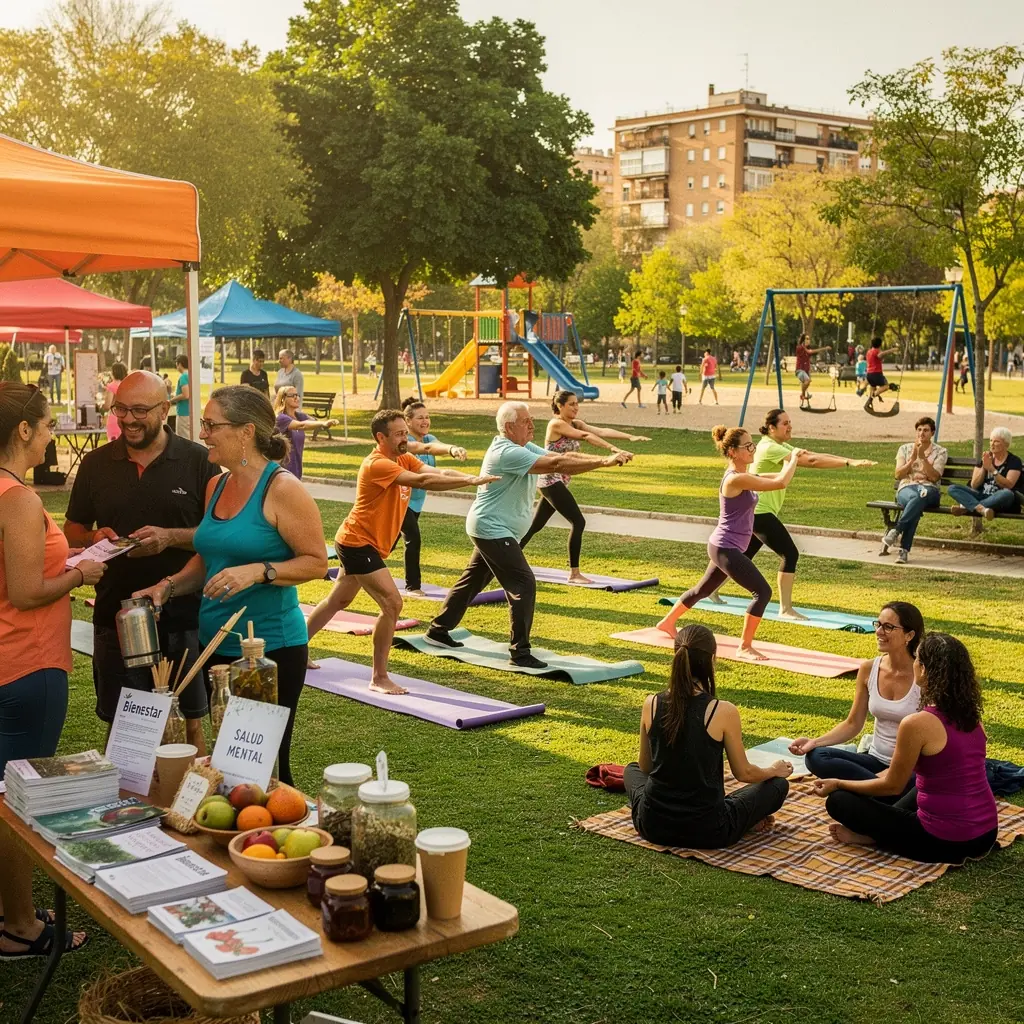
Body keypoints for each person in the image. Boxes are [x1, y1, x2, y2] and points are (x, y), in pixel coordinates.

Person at [133, 386, 328, 786]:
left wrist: (259, 571)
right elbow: (210, 558)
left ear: (245, 432)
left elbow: (316, 562)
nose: (202, 433)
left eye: (210, 425)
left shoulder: (283, 489)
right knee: (230, 761)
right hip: (215, 645)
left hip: (270, 650)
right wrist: (167, 587)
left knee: (264, 766)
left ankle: (275, 839)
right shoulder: (216, 486)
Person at [65, 371, 220, 752]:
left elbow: (216, 535)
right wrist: (92, 538)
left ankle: (188, 809)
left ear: (165, 409)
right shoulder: (96, 464)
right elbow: (73, 529)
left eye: (139, 410)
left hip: (185, 614)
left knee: (190, 727)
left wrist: (171, 537)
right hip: (116, 614)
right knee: (125, 734)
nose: (128, 419)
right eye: (121, 409)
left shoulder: (200, 461)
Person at [1, 382, 101, 958]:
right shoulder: (17, 497)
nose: (51, 435)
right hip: (27, 665)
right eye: (46, 425)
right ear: (22, 431)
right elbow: (27, 589)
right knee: (16, 802)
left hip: (10, 661)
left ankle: (12, 909)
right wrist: (82, 574)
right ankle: (20, 926)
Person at [424, 402, 631, 668]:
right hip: (492, 528)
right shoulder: (507, 452)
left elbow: (561, 459)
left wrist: (605, 458)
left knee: (472, 581)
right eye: (526, 421)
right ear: (509, 427)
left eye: (532, 419)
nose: (532, 425)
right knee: (523, 584)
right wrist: (603, 461)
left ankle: (438, 630)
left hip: (496, 528)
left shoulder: (522, 447)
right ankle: (520, 653)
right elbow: (555, 462)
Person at [304, 410, 495, 692]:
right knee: (392, 604)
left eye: (406, 432)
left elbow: (436, 472)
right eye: (399, 434)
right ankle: (379, 677)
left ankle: (296, 649)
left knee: (337, 601)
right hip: (357, 542)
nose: (405, 438)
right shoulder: (377, 465)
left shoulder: (402, 456)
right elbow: (423, 482)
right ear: (381, 437)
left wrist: (471, 476)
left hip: (360, 540)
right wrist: (468, 483)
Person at [814, 633, 999, 864]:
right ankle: (875, 834)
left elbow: (892, 786)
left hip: (945, 841)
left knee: (839, 801)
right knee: (920, 784)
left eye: (917, 659)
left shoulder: (917, 724)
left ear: (923, 670)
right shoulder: (971, 716)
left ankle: (872, 837)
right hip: (987, 833)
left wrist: (838, 783)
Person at [625, 624, 791, 849]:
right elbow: (744, 773)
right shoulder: (723, 711)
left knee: (631, 770)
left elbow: (644, 767)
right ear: (712, 659)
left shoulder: (651, 703)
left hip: (653, 825)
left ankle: (742, 816)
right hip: (710, 830)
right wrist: (773, 770)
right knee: (777, 785)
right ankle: (746, 819)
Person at [708, 409, 876, 618]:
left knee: (742, 555)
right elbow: (810, 462)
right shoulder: (769, 447)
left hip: (756, 511)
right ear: (771, 427)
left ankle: (710, 589)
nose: (790, 426)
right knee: (790, 553)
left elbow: (809, 455)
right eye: (785, 423)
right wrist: (849, 463)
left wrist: (849, 459)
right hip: (761, 512)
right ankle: (785, 608)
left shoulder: (779, 445)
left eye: (790, 422)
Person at [656, 426, 803, 660]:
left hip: (723, 545)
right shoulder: (736, 478)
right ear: (733, 452)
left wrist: (789, 462)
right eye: (748, 446)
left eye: (752, 444)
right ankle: (745, 647)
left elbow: (774, 478)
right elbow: (781, 483)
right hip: (726, 547)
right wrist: (793, 456)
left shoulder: (742, 476)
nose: (752, 449)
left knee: (702, 590)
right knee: (762, 592)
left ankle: (667, 622)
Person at [789, 601, 923, 795]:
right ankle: (880, 790)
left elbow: (935, 738)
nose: (879, 632)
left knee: (841, 799)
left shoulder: (923, 674)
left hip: (911, 769)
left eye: (888, 627)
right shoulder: (868, 669)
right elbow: (853, 723)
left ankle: (878, 789)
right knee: (816, 757)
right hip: (874, 761)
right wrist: (815, 742)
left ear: (909, 635)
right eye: (878, 624)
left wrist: (892, 774)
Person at [519, 391, 648, 583]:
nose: (575, 407)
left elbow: (601, 431)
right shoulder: (556, 424)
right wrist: (614, 450)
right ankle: (574, 574)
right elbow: (586, 436)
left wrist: (629, 438)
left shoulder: (575, 423)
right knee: (578, 522)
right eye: (571, 404)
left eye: (577, 404)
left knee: (535, 525)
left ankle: (508, 559)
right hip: (550, 480)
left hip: (558, 481)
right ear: (560, 406)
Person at [397, 398, 469, 597]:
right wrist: (451, 450)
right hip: (399, 500)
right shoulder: (404, 443)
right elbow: (426, 450)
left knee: (388, 543)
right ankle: (413, 586)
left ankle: (353, 566)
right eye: (420, 418)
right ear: (408, 421)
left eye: (428, 417)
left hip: (417, 501)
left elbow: (435, 445)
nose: (425, 421)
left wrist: (451, 448)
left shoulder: (429, 438)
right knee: (413, 539)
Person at [880, 416, 948, 565]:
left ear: (932, 433)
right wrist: (912, 459)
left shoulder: (941, 451)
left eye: (926, 430)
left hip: (930, 490)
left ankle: (896, 531)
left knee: (920, 497)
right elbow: (898, 475)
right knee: (916, 501)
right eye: (919, 430)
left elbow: (935, 477)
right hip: (907, 488)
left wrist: (923, 458)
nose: (921, 433)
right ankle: (903, 551)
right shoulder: (904, 449)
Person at [948, 426, 1021, 520]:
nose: (992, 444)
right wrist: (984, 466)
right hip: (981, 495)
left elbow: (1009, 485)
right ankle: (981, 509)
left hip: (1000, 499)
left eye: (996, 441)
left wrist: (991, 469)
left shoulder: (1014, 461)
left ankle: (966, 509)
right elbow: (974, 485)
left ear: (1006, 444)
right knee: (952, 488)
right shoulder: (986, 458)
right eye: (991, 440)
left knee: (1007, 493)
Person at [273, 387, 337, 480]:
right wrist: (322, 423)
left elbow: (313, 422)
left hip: (296, 468)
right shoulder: (281, 418)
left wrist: (325, 424)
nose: (296, 398)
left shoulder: (299, 416)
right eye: (292, 395)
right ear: (283, 398)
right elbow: (302, 425)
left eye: (297, 395)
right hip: (283, 469)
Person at [794, 333, 831, 405]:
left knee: (807, 382)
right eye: (806, 339)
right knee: (807, 381)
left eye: (809, 339)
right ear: (803, 340)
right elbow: (810, 351)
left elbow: (812, 352)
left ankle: (803, 396)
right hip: (800, 370)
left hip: (806, 371)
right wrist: (825, 348)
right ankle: (803, 395)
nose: (808, 340)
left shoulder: (807, 349)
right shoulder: (799, 347)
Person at [864, 336, 900, 408]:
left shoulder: (869, 352)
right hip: (876, 373)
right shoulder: (876, 351)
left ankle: (869, 403)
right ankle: (873, 395)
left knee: (873, 387)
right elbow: (880, 355)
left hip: (869, 374)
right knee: (886, 386)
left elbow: (878, 358)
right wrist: (892, 350)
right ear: (880, 344)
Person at [103, 361, 127, 441]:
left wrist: (101, 407)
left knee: (113, 447)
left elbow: (107, 406)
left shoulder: (112, 386)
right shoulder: (127, 386)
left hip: (114, 419)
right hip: (126, 418)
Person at [174, 354, 191, 438]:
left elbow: (186, 394)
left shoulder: (184, 376)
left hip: (183, 412)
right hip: (190, 411)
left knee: (182, 437)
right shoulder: (191, 375)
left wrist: (172, 400)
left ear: (180, 364)